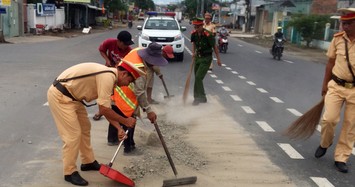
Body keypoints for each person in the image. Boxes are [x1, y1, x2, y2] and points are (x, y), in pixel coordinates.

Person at [47, 61, 145, 186]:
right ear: (124, 74)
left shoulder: (111, 77)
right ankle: (69, 172)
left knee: (85, 128)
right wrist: (125, 121)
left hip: (74, 98)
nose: (128, 85)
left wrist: (119, 128)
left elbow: (104, 108)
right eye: (129, 82)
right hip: (60, 97)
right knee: (73, 135)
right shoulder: (108, 77)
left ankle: (88, 162)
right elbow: (104, 110)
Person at [107, 42, 169, 153]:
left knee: (117, 114)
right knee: (129, 121)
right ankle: (128, 147)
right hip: (124, 93)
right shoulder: (139, 69)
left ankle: (112, 140)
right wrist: (149, 110)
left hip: (116, 88)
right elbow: (139, 92)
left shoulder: (137, 51)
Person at [314, 7, 355, 173]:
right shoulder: (337, 39)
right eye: (343, 23)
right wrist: (324, 84)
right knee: (329, 119)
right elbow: (330, 63)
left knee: (350, 125)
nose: (345, 27)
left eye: (349, 23)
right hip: (336, 85)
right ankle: (325, 143)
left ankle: (341, 157)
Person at [93, 30, 134, 121]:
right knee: (104, 93)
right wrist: (107, 60)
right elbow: (101, 50)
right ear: (118, 41)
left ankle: (112, 111)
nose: (126, 47)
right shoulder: (110, 42)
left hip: (119, 75)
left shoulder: (129, 51)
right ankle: (101, 111)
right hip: (108, 71)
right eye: (124, 44)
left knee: (115, 94)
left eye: (128, 45)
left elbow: (128, 67)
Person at [191, 17, 221, 105]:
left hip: (206, 58)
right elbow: (194, 43)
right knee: (196, 78)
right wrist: (193, 53)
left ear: (202, 26)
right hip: (198, 58)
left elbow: (215, 47)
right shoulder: (194, 34)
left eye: (198, 27)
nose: (196, 28)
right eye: (195, 27)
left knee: (198, 77)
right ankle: (196, 97)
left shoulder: (208, 35)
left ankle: (202, 97)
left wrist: (218, 60)